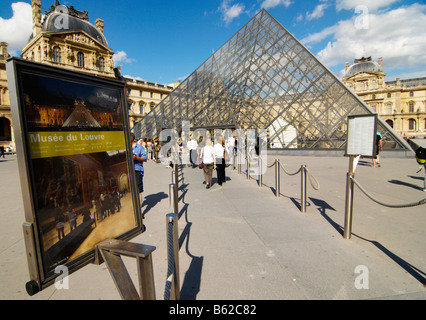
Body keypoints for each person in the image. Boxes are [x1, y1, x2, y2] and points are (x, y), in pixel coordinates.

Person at [131, 132, 147, 207]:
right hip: (128, 171)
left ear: (131, 138)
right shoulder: (126, 147)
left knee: (138, 191)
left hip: (137, 170)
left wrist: (136, 158)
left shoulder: (139, 147)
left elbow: (145, 158)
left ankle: (139, 210)